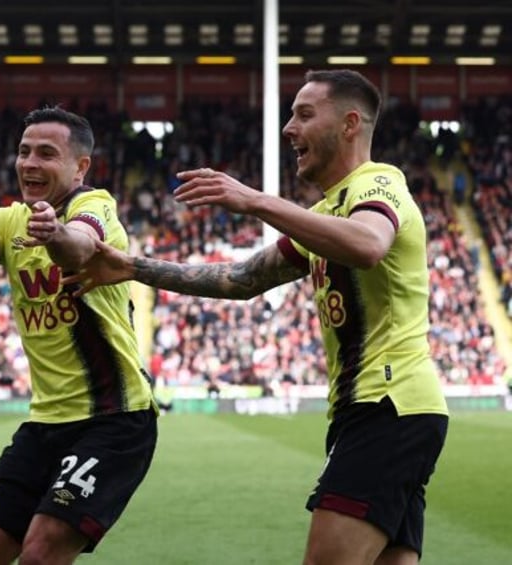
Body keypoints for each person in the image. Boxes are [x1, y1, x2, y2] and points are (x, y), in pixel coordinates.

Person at [66, 69, 449, 564]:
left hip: (389, 405)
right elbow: (243, 279)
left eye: (304, 114)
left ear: (351, 123)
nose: (290, 128)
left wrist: (256, 201)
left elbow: (369, 244)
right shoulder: (329, 211)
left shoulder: (378, 183)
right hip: (380, 411)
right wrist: (134, 266)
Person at [0, 106, 158, 565]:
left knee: (41, 554)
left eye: (46, 153)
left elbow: (80, 246)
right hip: (45, 422)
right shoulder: (8, 221)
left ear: (79, 166)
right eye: (24, 152)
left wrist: (55, 233)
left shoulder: (95, 205)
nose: (29, 163)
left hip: (114, 419)